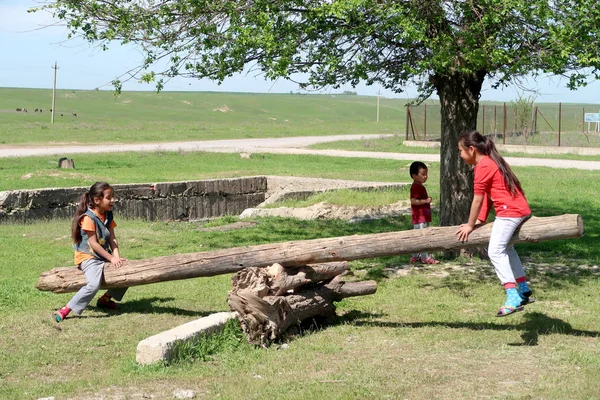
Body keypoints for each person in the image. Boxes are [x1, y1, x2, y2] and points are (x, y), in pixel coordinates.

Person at [455, 130, 535, 317]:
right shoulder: (491, 161)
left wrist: (469, 224)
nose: (460, 155)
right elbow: (488, 198)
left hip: (510, 212)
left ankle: (512, 295)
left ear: (472, 149)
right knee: (508, 248)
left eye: (460, 150)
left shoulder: (483, 166)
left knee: (495, 251)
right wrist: (481, 220)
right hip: (521, 209)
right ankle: (523, 288)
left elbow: (477, 199)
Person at [53, 182, 128, 323]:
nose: (113, 200)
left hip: (103, 255)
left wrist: (116, 257)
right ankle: (66, 309)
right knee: (93, 284)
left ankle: (105, 299)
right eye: (109, 197)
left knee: (127, 271)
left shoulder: (108, 215)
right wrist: (111, 258)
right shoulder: (88, 218)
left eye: (113, 197)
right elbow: (93, 244)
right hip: (88, 256)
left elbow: (112, 238)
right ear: (97, 200)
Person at [409, 161, 440, 264]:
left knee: (417, 236)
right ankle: (425, 257)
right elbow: (413, 200)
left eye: (426, 174)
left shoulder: (420, 186)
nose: (425, 176)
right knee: (423, 236)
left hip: (423, 217)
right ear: (414, 176)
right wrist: (425, 201)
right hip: (420, 217)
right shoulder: (416, 187)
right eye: (422, 174)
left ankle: (415, 256)